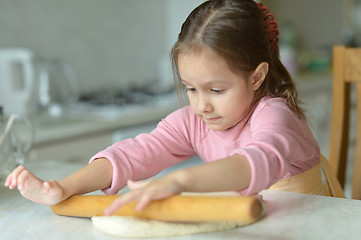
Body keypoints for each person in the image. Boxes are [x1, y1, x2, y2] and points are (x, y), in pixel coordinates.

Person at [4, 0, 344, 216]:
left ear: (256, 77)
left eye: (216, 89)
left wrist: (180, 180)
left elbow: (256, 162)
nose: (201, 105)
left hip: (313, 221)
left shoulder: (273, 115)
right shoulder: (195, 120)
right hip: (257, 220)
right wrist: (63, 187)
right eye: (191, 89)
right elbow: (134, 154)